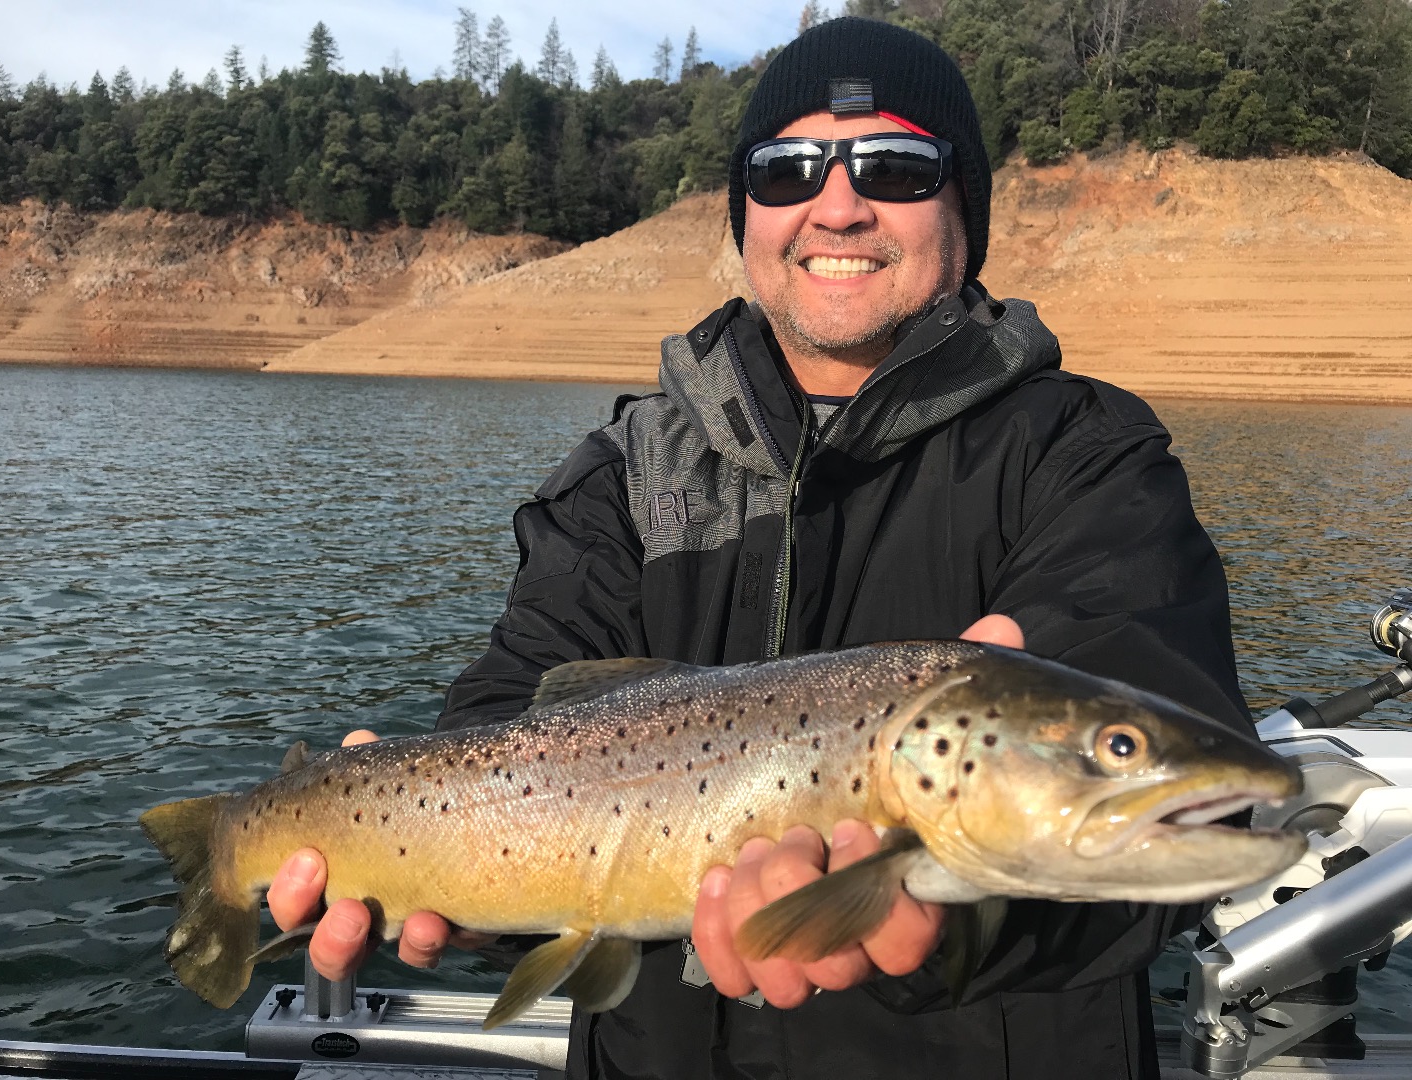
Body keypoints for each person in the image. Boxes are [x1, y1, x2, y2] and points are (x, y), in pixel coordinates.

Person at [268, 17, 1250, 1079]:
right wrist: (459, 894)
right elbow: (509, 721)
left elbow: (1170, 776)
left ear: (965, 207)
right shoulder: (621, 479)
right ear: (746, 216)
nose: (837, 203)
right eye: (787, 170)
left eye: (896, 165)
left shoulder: (1087, 456)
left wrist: (950, 920)